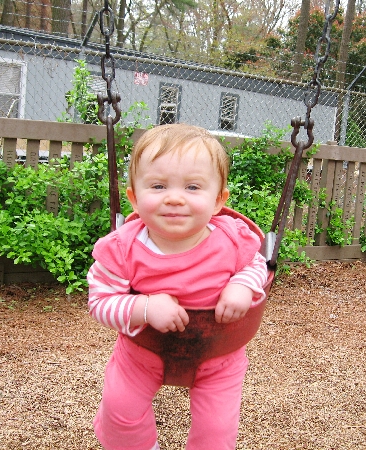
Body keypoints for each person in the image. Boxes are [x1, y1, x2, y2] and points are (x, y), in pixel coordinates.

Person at [87, 123, 269, 450]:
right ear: (134, 198)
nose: (174, 198)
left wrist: (241, 285)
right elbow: (99, 301)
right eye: (157, 186)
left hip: (217, 356)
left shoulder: (231, 238)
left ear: (218, 201)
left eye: (193, 187)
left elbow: (258, 264)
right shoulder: (122, 248)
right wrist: (143, 308)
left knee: (216, 433)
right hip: (142, 352)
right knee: (120, 412)